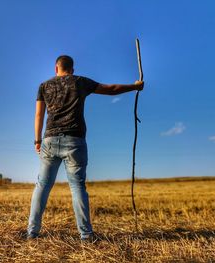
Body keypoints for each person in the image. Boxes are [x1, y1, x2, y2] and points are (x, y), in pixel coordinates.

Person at [27, 55, 144, 240]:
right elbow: (111, 89)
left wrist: (37, 140)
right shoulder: (79, 82)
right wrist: (135, 86)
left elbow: (38, 115)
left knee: (42, 185)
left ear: (55, 68)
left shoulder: (44, 86)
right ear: (72, 69)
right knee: (77, 187)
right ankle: (86, 235)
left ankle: (31, 233)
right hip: (75, 141)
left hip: (49, 140)